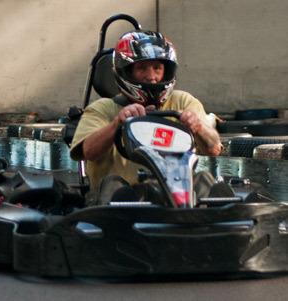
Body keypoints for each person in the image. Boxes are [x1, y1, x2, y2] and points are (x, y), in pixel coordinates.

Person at [70, 30, 222, 201]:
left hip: (173, 197)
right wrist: (117, 124)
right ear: (126, 72)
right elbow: (89, 152)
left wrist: (198, 128)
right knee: (113, 184)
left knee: (204, 180)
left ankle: (203, 222)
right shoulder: (102, 109)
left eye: (157, 68)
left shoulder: (182, 102)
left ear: (167, 71)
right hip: (122, 201)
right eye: (142, 68)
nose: (151, 77)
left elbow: (214, 149)